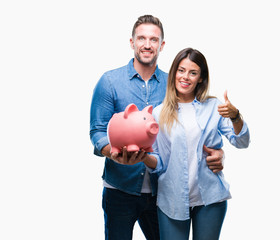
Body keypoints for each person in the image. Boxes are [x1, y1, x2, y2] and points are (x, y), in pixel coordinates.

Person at [89, 15, 224, 240]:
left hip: (161, 193)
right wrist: (113, 154)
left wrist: (218, 152)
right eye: (141, 38)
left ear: (162, 45)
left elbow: (195, 127)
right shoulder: (110, 81)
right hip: (119, 188)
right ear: (132, 43)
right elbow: (97, 131)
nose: (147, 44)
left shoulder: (175, 85)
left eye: (153, 39)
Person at [137, 48, 250, 240]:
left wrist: (236, 116)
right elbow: (160, 162)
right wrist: (144, 157)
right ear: (174, 73)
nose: (185, 77)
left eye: (193, 72)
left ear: (201, 78)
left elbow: (241, 141)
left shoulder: (214, 107)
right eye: (181, 70)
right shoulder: (159, 113)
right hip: (171, 200)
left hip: (210, 199)